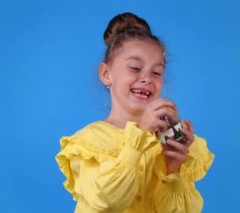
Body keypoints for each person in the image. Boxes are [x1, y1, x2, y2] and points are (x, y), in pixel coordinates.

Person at [56, 12, 214, 213]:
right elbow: (107, 202)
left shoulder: (164, 143)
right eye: (135, 68)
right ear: (106, 74)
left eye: (156, 72)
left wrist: (173, 169)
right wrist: (138, 138)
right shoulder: (90, 142)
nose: (147, 78)